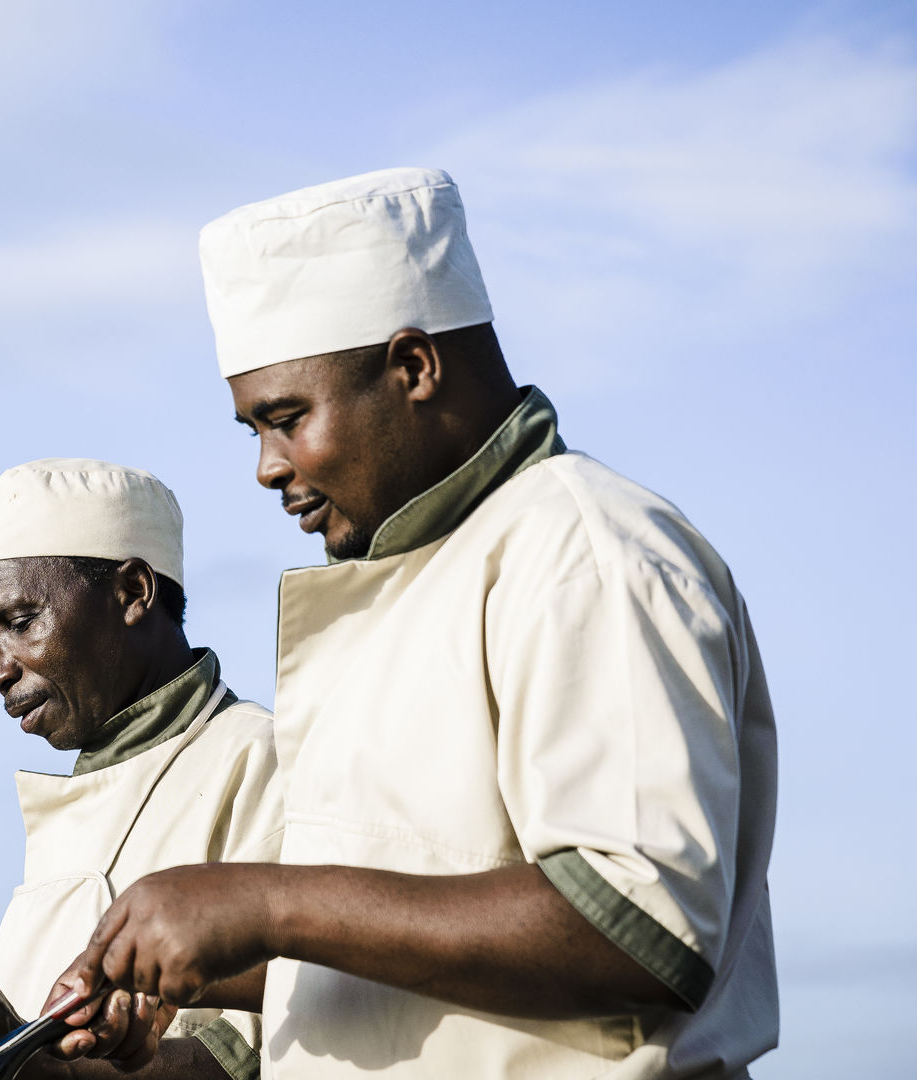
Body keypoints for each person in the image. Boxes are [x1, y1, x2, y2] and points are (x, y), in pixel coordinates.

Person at [47, 169, 778, 1079]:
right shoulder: (410, 579)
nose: (269, 469)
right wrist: (194, 965)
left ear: (414, 367)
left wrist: (266, 901)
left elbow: (641, 928)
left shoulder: (584, 548)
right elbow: (402, 947)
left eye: (286, 418)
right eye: (254, 432)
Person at [0, 459, 286, 1080]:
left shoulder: (262, 758)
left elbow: (252, 1061)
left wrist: (15, 1057)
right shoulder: (72, 810)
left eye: (20, 624)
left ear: (132, 593)